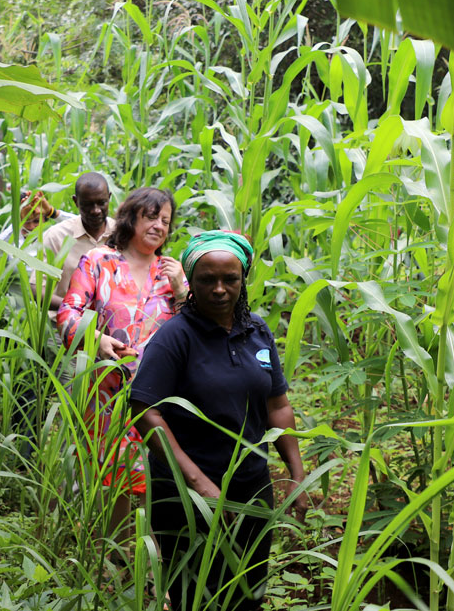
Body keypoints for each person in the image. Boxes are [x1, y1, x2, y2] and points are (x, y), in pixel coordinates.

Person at [129, 230, 309, 611]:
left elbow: (276, 404)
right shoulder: (175, 338)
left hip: (251, 487)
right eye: (207, 279)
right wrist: (202, 486)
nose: (220, 289)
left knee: (249, 591)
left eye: (230, 279)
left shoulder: (256, 331)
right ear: (190, 283)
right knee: (196, 595)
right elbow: (145, 411)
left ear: (243, 280)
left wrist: (296, 472)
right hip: (187, 495)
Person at [56, 187, 187, 535]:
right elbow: (69, 312)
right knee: (114, 481)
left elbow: (200, 330)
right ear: (131, 217)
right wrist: (94, 339)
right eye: (152, 217)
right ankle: (113, 556)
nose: (159, 226)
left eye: (166, 220)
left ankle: (150, 562)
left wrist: (182, 290)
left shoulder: (171, 273)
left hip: (160, 398)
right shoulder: (100, 261)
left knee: (156, 480)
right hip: (108, 395)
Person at [37, 172, 116, 313]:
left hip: (113, 328)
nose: (96, 210)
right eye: (88, 205)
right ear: (75, 202)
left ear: (109, 198)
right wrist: (73, 308)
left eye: (102, 203)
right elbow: (37, 289)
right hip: (63, 327)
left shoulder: (122, 234)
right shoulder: (57, 236)